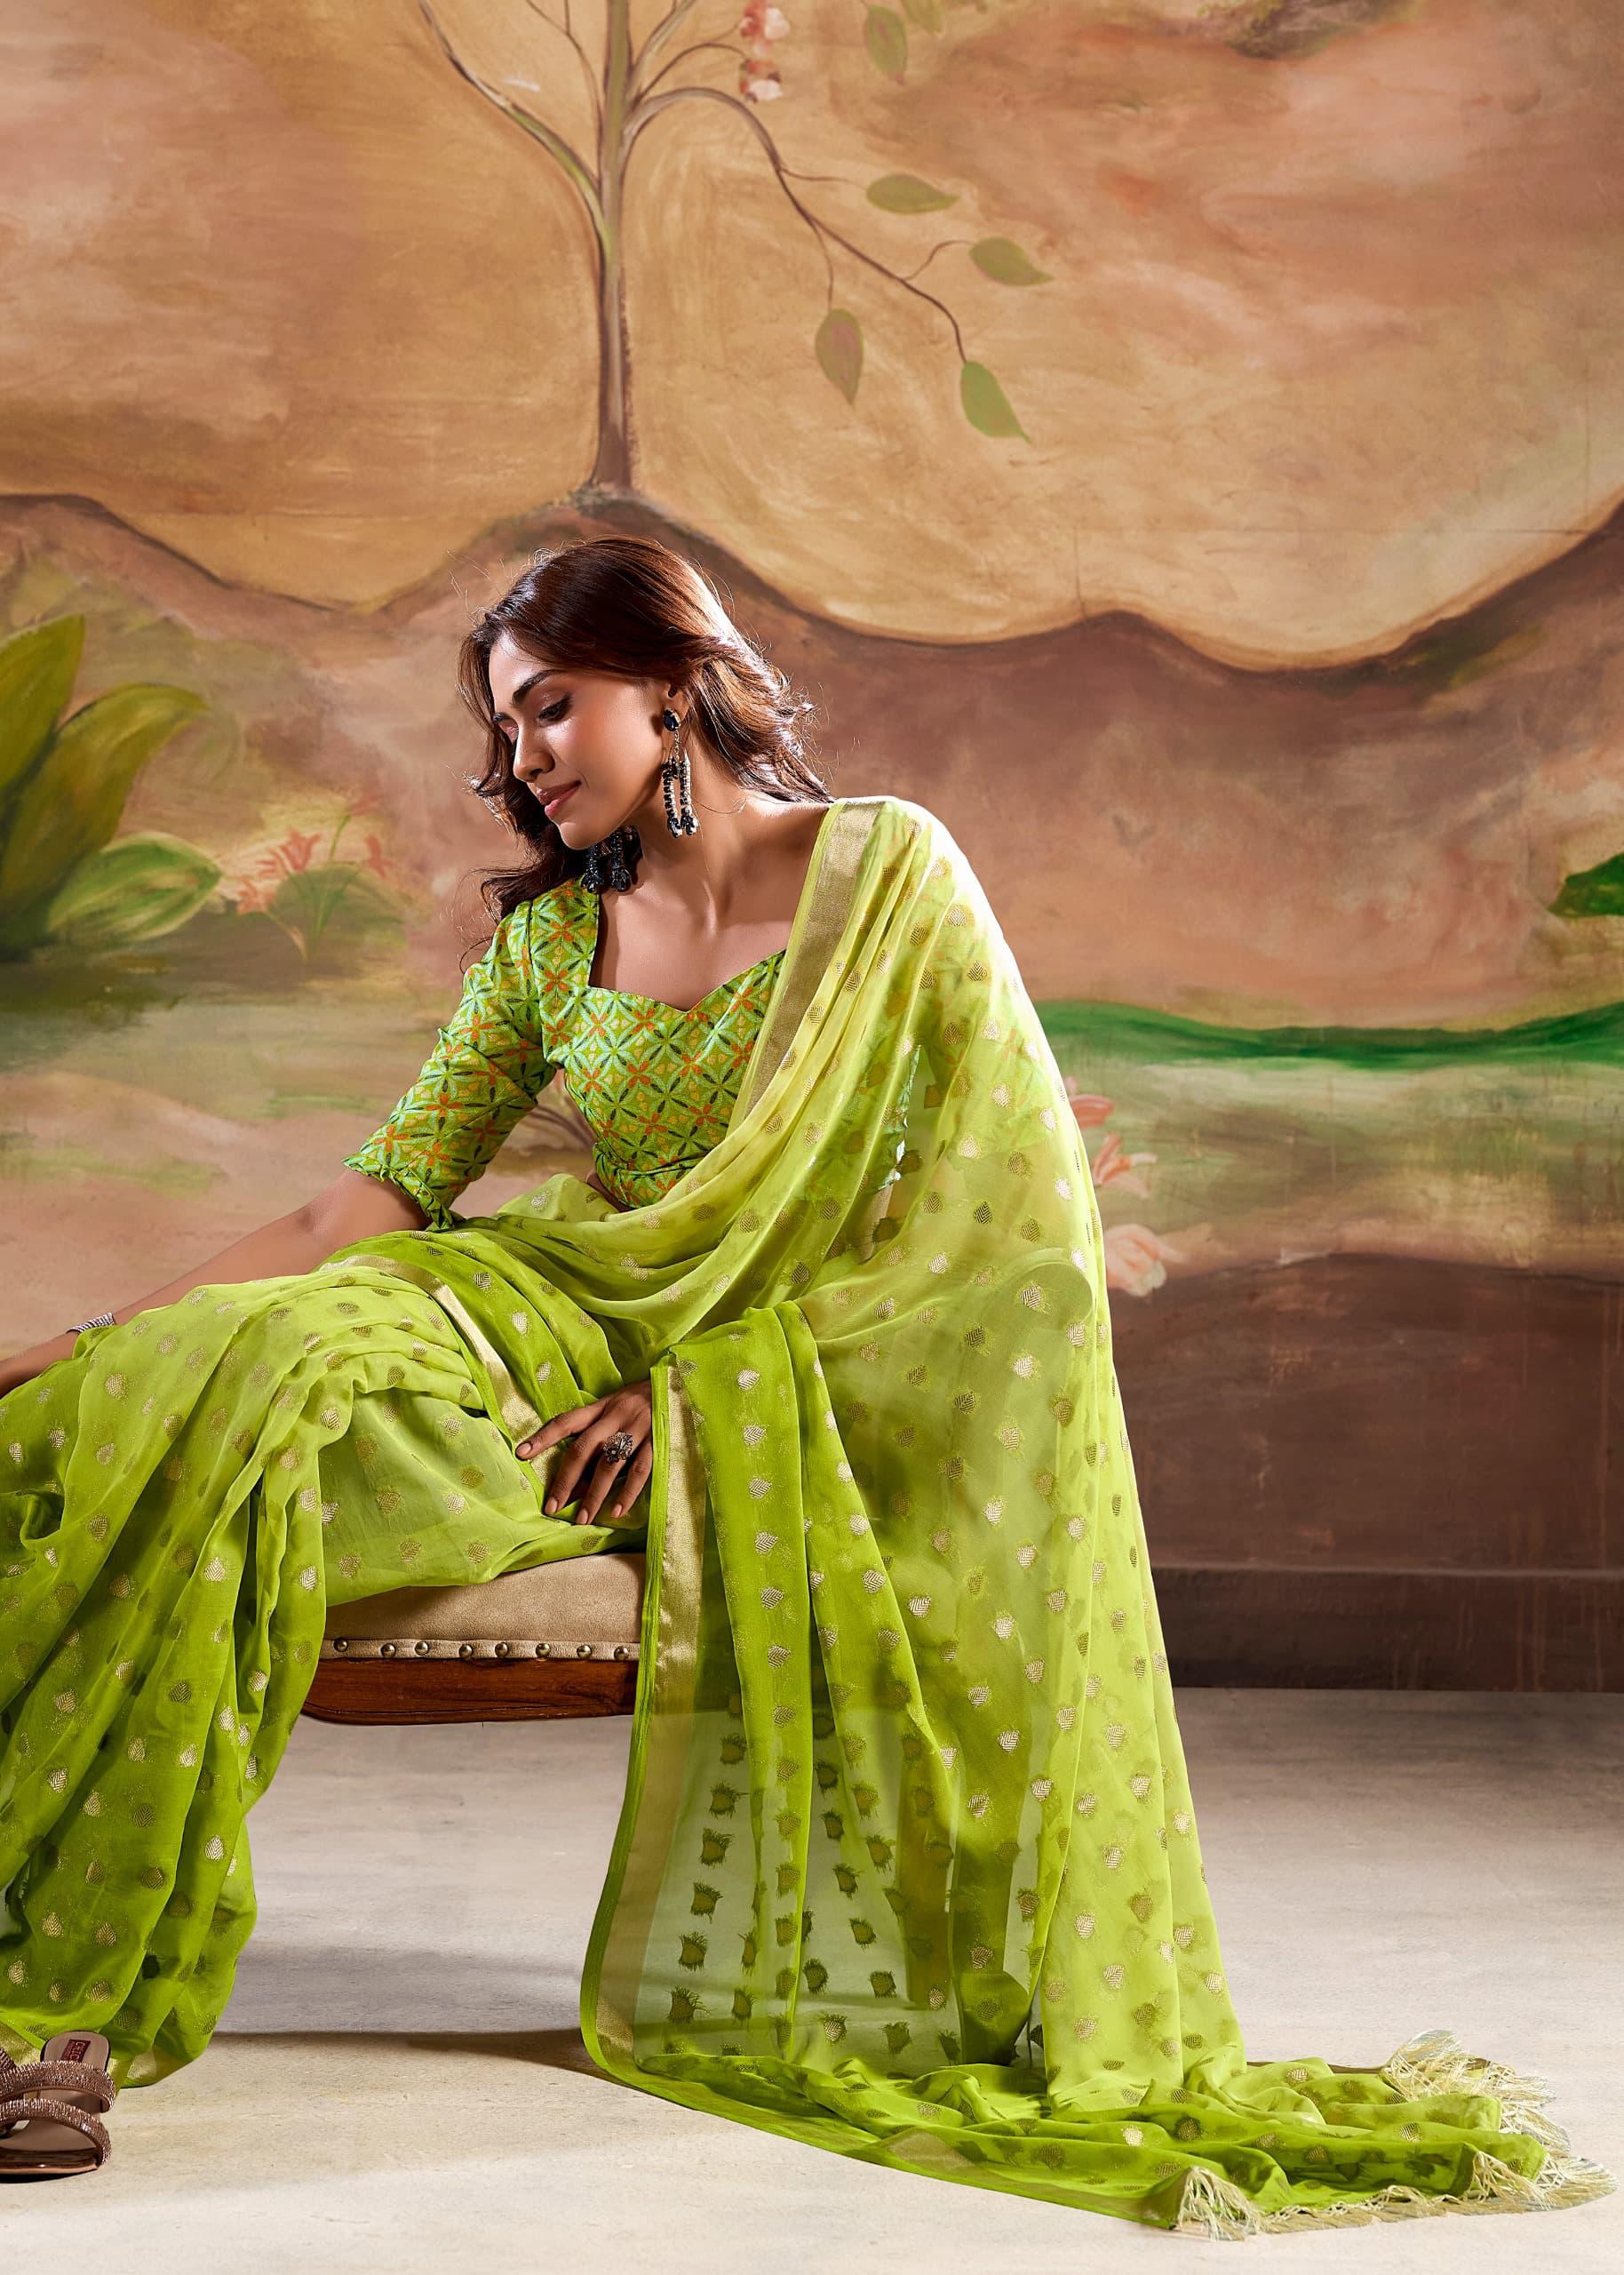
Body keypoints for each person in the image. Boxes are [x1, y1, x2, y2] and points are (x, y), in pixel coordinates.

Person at [0, 539, 1613, 2231]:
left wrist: (690, 1396)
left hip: (748, 1372)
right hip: (534, 1312)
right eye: (508, 726)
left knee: (263, 1420)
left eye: (552, 706)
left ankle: (53, 1990)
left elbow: (1012, 1240)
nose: (522, 756)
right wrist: (87, 1340)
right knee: (236, 1380)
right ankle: (39, 1979)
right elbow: (368, 1205)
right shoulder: (551, 946)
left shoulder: (889, 879)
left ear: (671, 684)